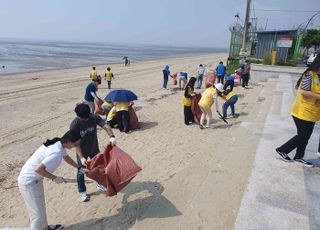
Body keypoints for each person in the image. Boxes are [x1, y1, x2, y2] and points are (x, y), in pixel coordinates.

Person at [18, 130, 84, 230]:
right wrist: (55, 178)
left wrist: (79, 167)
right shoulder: (56, 152)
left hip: (35, 180)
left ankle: (45, 228)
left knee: (41, 208)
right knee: (37, 214)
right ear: (69, 142)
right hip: (28, 182)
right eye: (75, 144)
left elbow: (66, 158)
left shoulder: (59, 144)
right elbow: (39, 169)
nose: (76, 146)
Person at [275, 55, 320, 167]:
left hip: (312, 113)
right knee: (302, 136)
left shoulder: (318, 76)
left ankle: (299, 156)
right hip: (302, 112)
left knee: (306, 136)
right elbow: (304, 92)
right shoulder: (309, 75)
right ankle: (282, 150)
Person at [70, 103, 116, 202]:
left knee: (99, 167)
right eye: (83, 119)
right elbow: (76, 144)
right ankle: (82, 192)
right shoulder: (74, 125)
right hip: (82, 151)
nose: (86, 120)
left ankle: (100, 184)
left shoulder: (94, 117)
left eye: (87, 117)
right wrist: (81, 158)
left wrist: (112, 136)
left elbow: (105, 126)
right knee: (81, 171)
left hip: (94, 148)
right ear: (78, 116)